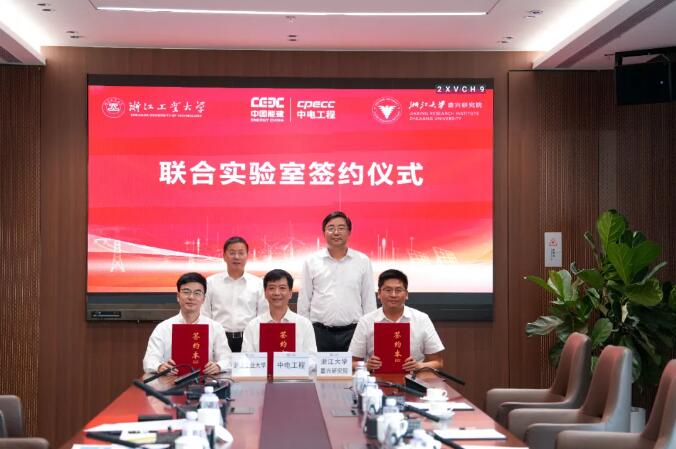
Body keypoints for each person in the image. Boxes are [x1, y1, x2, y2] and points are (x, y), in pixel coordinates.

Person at [297, 211, 376, 352]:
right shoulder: (312, 261)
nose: (336, 232)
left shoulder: (362, 261)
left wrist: (369, 331)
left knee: (353, 367)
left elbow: (368, 299)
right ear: (324, 232)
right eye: (331, 228)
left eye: (341, 228)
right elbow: (304, 300)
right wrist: (305, 331)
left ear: (349, 232)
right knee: (317, 367)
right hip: (319, 333)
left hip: (353, 332)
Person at [349, 269, 444, 372]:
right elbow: (352, 362)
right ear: (379, 293)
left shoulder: (422, 319)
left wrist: (418, 366)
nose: (393, 295)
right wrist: (367, 365)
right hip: (375, 378)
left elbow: (438, 361)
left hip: (414, 377)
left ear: (406, 294)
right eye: (388, 290)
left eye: (398, 290)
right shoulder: (366, 321)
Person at [143, 272, 231, 375]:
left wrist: (218, 366)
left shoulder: (215, 327)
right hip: (170, 381)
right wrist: (159, 367)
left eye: (197, 293)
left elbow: (227, 359)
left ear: (203, 299)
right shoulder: (163, 328)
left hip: (206, 380)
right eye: (186, 292)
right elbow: (149, 361)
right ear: (178, 296)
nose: (191, 297)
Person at [203, 236, 266, 352]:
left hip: (248, 339)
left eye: (241, 253)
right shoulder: (210, 282)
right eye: (232, 253)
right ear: (224, 256)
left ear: (247, 256)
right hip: (218, 339)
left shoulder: (258, 284)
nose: (236, 257)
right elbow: (205, 314)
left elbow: (262, 315)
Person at [242, 269, 317, 358]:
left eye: (282, 288)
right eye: (271, 288)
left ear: (290, 293)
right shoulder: (253, 326)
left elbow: (312, 359)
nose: (277, 293)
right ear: (265, 293)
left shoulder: (304, 324)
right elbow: (246, 359)